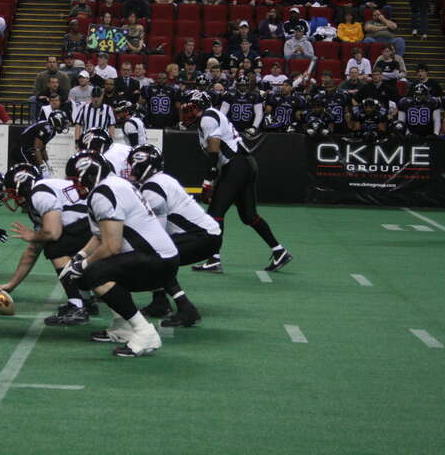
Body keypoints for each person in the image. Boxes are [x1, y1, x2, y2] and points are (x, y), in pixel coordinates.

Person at [61, 150, 191, 357]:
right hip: (159, 257)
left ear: (89, 174)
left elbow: (111, 245)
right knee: (91, 273)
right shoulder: (115, 185)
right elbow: (100, 235)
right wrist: (78, 257)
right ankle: (122, 327)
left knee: (94, 274)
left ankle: (144, 331)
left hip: (156, 260)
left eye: (77, 180)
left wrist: (83, 266)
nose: (76, 186)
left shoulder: (104, 192)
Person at [178, 90, 292, 274]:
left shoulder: (207, 117)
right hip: (245, 164)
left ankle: (214, 259)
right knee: (249, 216)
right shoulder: (211, 116)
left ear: (201, 106)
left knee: (215, 214)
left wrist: (209, 178)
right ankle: (279, 251)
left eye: (193, 108)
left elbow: (214, 146)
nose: (189, 112)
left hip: (236, 165)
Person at [129, 145, 222, 324]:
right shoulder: (161, 179)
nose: (131, 169)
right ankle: (160, 302)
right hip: (206, 234)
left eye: (134, 163)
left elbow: (157, 232)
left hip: (201, 236)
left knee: (157, 256)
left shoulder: (152, 187)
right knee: (157, 255)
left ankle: (185, 308)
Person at [0, 163, 97, 325]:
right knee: (56, 244)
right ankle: (85, 300)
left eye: (12, 192)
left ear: (21, 185)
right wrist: (12, 284)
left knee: (54, 247)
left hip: (95, 224)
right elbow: (32, 251)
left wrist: (32, 235)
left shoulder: (39, 194)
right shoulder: (40, 194)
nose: (13, 198)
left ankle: (77, 306)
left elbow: (52, 233)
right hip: (89, 223)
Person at [17, 110, 69, 176]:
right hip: (22, 148)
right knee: (34, 172)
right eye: (63, 122)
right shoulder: (46, 128)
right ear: (56, 121)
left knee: (38, 172)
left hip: (30, 149)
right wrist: (43, 167)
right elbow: (37, 148)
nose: (64, 125)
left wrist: (48, 163)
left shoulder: (52, 131)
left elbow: (42, 148)